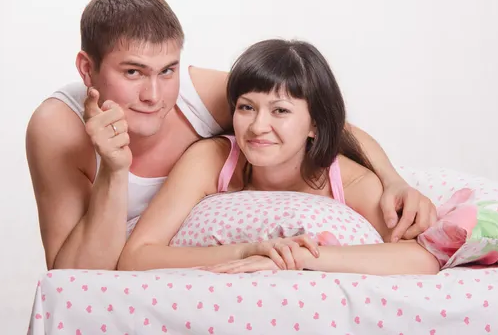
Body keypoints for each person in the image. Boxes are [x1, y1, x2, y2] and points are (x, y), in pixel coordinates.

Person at [26, 0, 436, 271]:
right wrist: (114, 170)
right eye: (133, 72)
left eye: (167, 70)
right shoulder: (58, 129)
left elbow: (321, 118)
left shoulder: (205, 95)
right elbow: (75, 277)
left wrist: (392, 177)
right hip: (128, 254)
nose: (155, 94)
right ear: (87, 69)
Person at [118, 39, 440, 276]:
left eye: (280, 110)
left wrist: (299, 258)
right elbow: (137, 256)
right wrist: (246, 251)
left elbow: (421, 258)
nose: (258, 127)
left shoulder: (349, 180)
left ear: (314, 124)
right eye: (246, 107)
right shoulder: (211, 159)